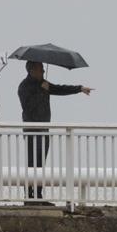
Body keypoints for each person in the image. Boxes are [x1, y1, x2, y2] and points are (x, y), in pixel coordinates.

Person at [17, 61, 93, 203]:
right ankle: (28, 196)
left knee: (40, 165)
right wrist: (41, 90)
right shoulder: (24, 86)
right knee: (32, 164)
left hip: (44, 130)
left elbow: (60, 89)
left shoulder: (44, 83)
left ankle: (38, 196)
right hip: (32, 130)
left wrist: (79, 88)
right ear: (32, 70)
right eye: (41, 69)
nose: (43, 72)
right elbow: (28, 107)